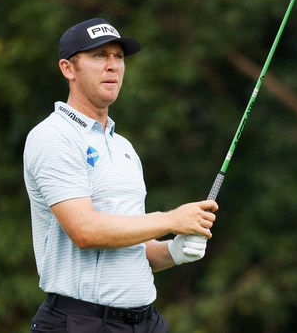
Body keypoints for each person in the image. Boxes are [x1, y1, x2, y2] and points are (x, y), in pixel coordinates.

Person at [23, 18, 219, 332]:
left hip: (146, 321)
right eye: (99, 55)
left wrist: (173, 251)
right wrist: (170, 220)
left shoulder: (124, 147)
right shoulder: (53, 136)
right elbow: (85, 231)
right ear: (68, 68)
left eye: (118, 56)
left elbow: (133, 247)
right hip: (82, 322)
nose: (112, 65)